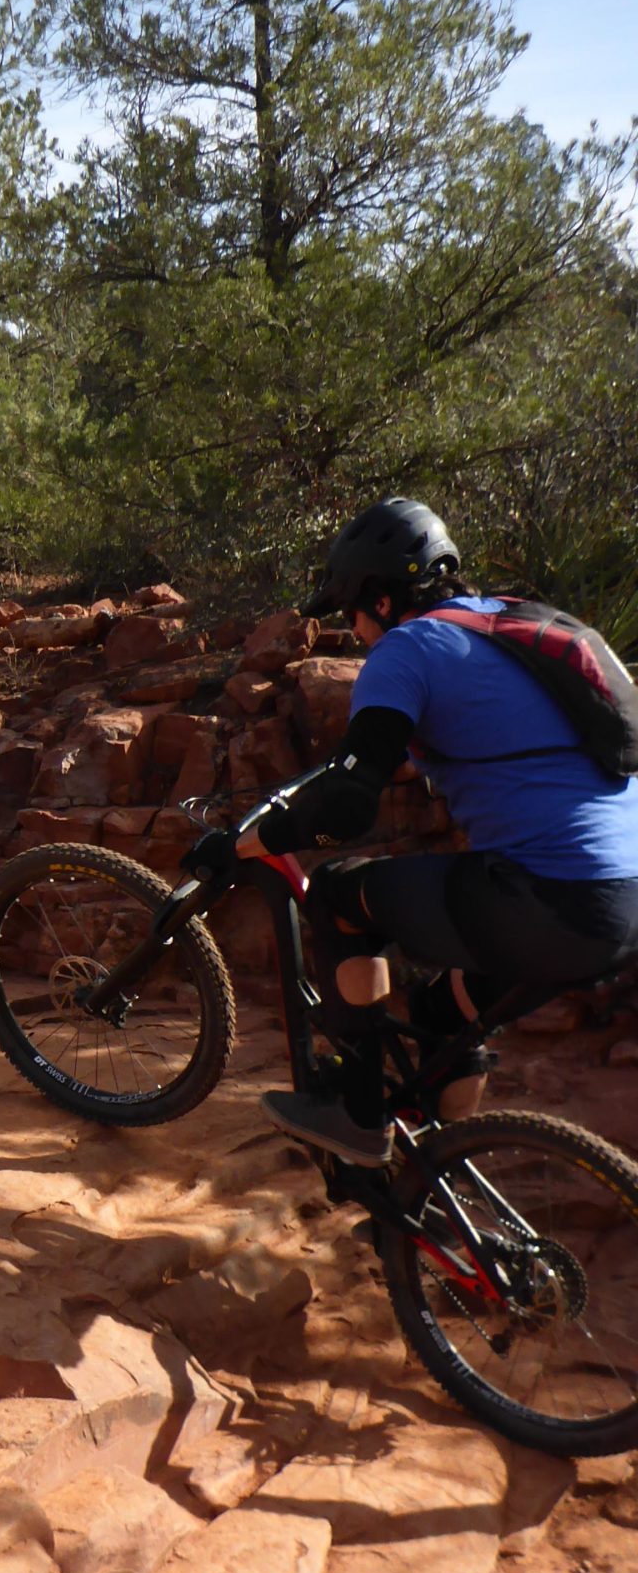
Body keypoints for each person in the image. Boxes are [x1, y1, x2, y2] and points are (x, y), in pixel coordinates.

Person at [239, 498, 638, 1163]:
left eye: (349, 610)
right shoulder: (517, 622)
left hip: (556, 899)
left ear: (381, 599)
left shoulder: (408, 648)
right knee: (440, 1012)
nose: (353, 628)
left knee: (338, 896)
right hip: (626, 900)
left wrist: (271, 836)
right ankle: (432, 1176)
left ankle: (358, 1116)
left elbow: (349, 801)